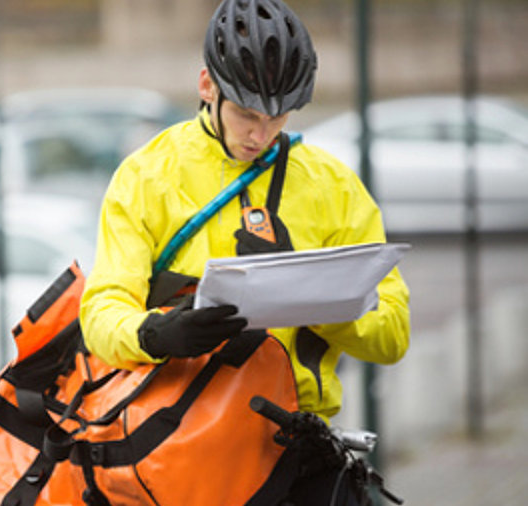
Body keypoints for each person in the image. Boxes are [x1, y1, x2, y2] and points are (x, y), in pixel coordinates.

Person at [79, 0, 410, 501]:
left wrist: (317, 301)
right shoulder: (146, 176)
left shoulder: (333, 186)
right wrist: (158, 332)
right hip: (181, 445)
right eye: (247, 113)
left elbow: (392, 338)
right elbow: (101, 316)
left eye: (279, 117)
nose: (261, 134)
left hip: (297, 451)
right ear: (207, 86)